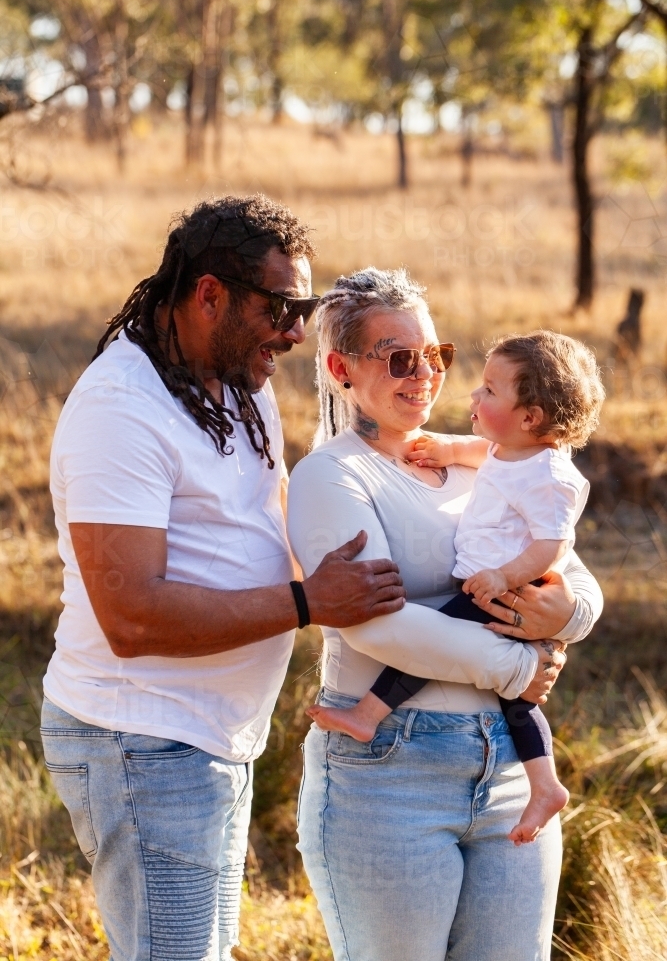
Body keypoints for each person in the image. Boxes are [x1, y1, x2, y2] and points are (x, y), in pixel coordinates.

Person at [40, 198, 406, 961]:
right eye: (280, 306)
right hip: (140, 740)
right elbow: (131, 618)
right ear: (209, 295)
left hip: (206, 739)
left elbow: (268, 527)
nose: (296, 329)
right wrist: (309, 603)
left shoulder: (241, 384)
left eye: (302, 306)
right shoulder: (120, 408)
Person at [286, 267, 603, 961]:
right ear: (341, 367)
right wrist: (523, 663)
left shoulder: (484, 461)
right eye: (398, 358)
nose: (423, 375)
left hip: (509, 764)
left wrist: (568, 619)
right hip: (389, 771)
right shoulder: (331, 476)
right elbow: (376, 622)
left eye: (434, 356)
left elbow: (570, 577)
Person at [307, 329, 605, 846]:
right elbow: (480, 452)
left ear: (530, 417)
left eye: (489, 391)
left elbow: (555, 547)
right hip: (490, 591)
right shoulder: (510, 450)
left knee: (437, 642)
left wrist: (511, 581)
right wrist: (446, 449)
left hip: (503, 593)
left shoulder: (550, 476)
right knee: (514, 700)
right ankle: (546, 783)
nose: (472, 395)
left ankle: (367, 715)